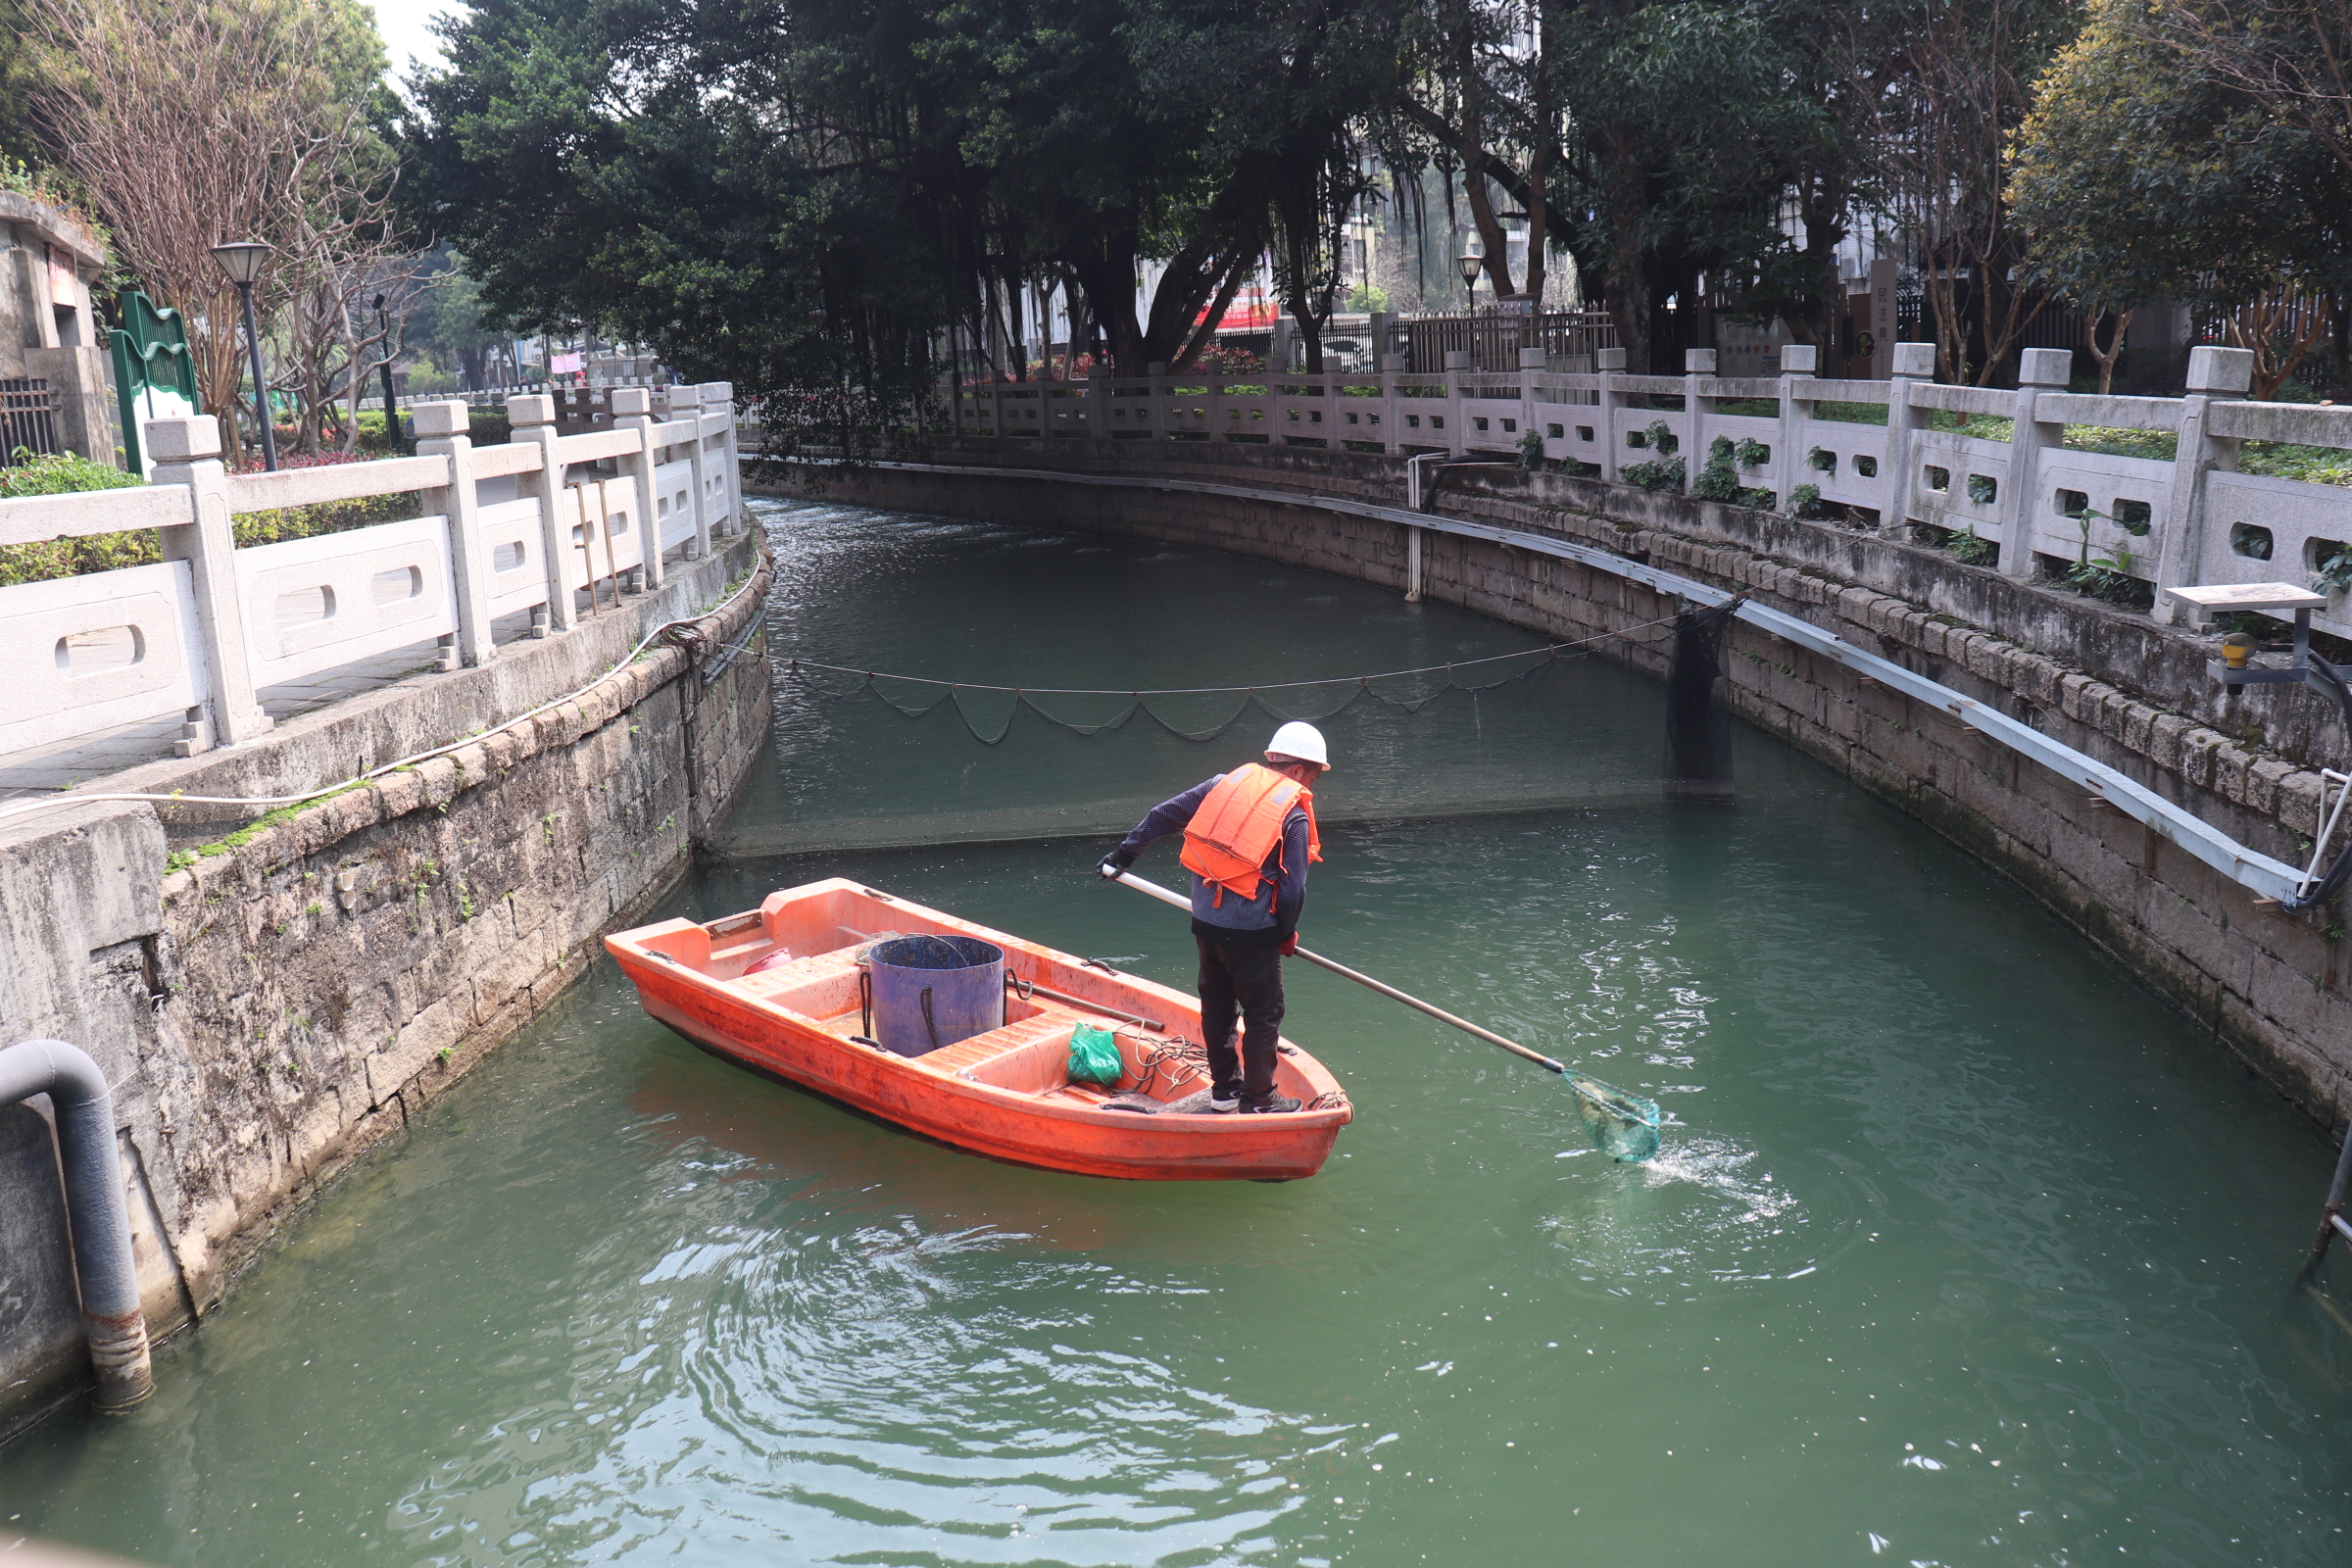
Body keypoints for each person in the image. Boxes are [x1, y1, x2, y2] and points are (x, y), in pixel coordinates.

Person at [1099, 721, 1329, 1113]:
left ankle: (1224, 1092)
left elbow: (1162, 816)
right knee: (1262, 1013)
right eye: (1312, 776)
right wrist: (1286, 932)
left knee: (1217, 1005)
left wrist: (1124, 855)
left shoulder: (1222, 784)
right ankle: (1259, 1100)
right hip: (1253, 935)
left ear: (1271, 757)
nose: (1310, 785)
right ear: (1295, 771)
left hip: (1206, 925)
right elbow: (1292, 891)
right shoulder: (1294, 814)